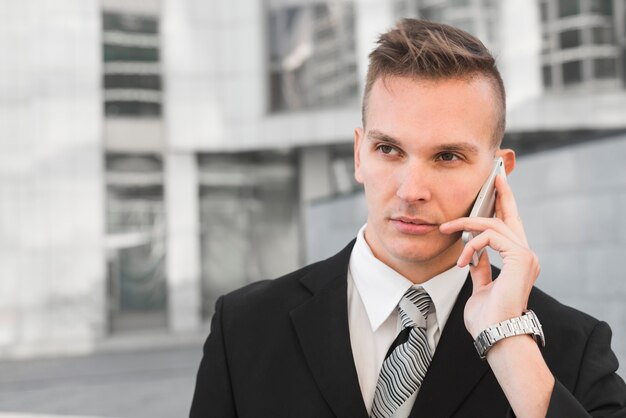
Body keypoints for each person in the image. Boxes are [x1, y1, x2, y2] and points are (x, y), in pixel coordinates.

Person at [190, 19, 626, 417]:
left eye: (448, 156)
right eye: (388, 150)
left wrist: (509, 344)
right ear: (358, 154)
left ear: (499, 173)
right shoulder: (244, 328)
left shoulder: (572, 349)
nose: (411, 190)